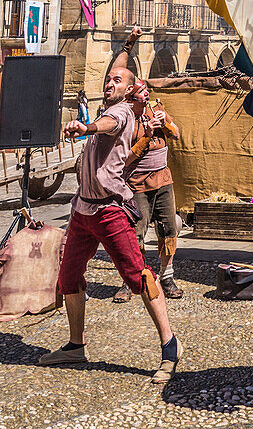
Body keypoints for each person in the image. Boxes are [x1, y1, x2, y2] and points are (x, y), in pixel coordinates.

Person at [38, 65, 183, 384]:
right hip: (85, 208)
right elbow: (113, 131)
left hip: (113, 208)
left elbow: (171, 133)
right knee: (69, 275)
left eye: (118, 80)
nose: (109, 83)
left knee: (140, 273)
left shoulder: (132, 113)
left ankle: (170, 347)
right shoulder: (121, 113)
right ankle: (76, 346)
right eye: (108, 79)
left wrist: (162, 125)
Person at [113, 79, 183, 303]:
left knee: (168, 228)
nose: (146, 96)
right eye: (142, 93)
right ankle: (131, 279)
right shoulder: (127, 121)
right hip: (137, 184)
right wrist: (147, 135)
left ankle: (167, 276)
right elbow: (126, 158)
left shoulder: (157, 109)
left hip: (162, 180)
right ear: (131, 98)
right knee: (136, 232)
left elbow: (176, 134)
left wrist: (166, 124)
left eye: (146, 92)